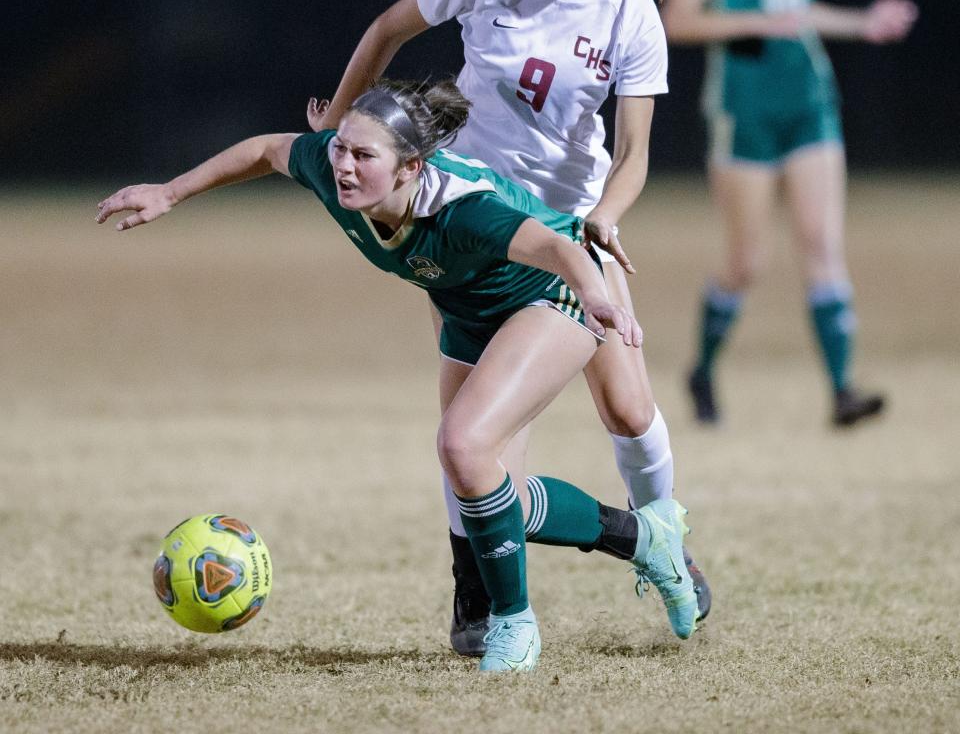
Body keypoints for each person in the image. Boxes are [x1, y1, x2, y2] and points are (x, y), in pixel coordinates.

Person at [96, 79, 701, 671]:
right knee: (489, 492)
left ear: (411, 167)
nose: (344, 167)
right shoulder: (335, 176)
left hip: (556, 293)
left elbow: (559, 249)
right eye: (340, 149)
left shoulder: (462, 211)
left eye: (364, 155)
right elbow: (264, 150)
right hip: (471, 312)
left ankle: (512, 624)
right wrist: (170, 193)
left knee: (462, 444)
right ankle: (644, 540)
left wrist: (597, 296)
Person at [310, 0, 711, 655]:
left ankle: (668, 543)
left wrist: (603, 216)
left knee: (627, 406)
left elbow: (633, 153)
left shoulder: (633, 10)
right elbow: (388, 27)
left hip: (563, 226)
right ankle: (479, 601)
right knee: (473, 435)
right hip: (473, 221)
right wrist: (342, 120)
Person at [660, 0, 918, 428]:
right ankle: (702, 370)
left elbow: (796, 10)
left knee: (823, 244)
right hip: (744, 111)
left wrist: (864, 22)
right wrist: (753, 21)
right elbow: (679, 20)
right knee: (748, 261)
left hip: (808, 102)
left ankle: (842, 392)